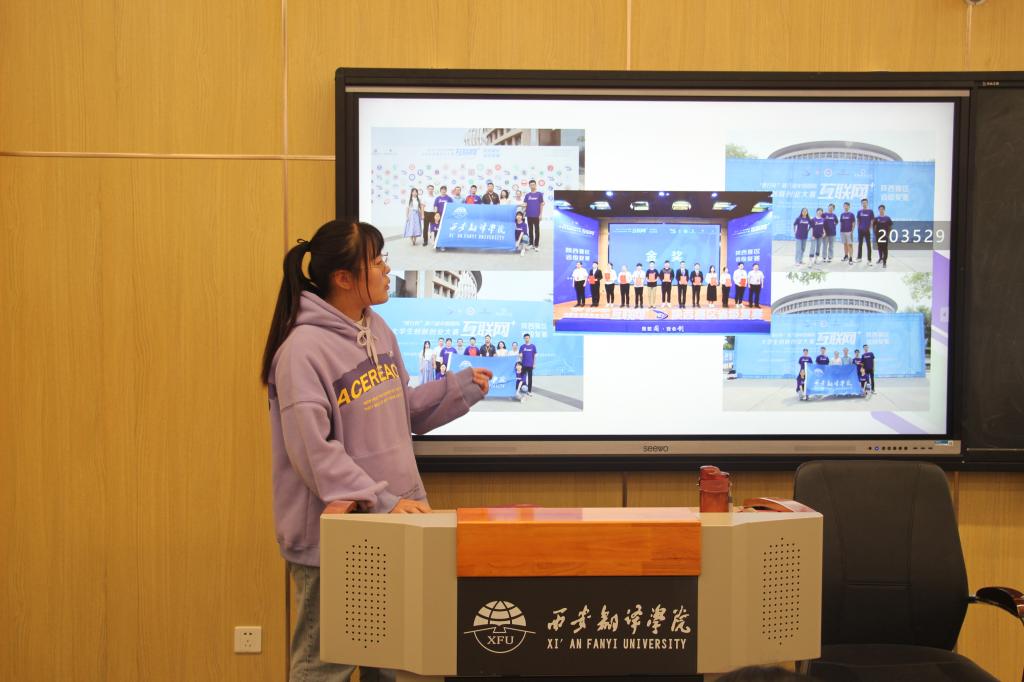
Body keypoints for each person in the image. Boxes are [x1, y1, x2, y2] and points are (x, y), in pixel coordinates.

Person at [261, 220, 491, 682]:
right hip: (334, 540)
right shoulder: (302, 350)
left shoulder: (378, 328)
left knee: (398, 661)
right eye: (377, 261)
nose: (387, 269)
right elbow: (313, 453)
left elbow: (403, 410)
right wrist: (383, 502)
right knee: (325, 667)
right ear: (343, 278)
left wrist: (460, 388)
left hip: (394, 525)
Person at [524, 179, 544, 250]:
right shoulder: (527, 195)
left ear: (535, 185)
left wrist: (540, 214)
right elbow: (525, 204)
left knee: (537, 230)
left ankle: (536, 244)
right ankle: (531, 243)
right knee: (530, 230)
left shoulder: (539, 194)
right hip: (529, 215)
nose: (532, 186)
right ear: (529, 186)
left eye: (533, 185)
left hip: (536, 215)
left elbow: (541, 204)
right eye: (531, 185)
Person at [856, 197, 874, 265]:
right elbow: (858, 220)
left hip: (867, 230)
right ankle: (859, 258)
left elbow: (872, 220)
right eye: (863, 203)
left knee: (868, 245)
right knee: (860, 244)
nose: (864, 204)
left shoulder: (870, 211)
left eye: (865, 203)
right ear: (861, 204)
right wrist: (858, 228)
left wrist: (870, 228)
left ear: (867, 203)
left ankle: (869, 260)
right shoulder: (859, 212)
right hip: (860, 230)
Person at [874, 204, 892, 268]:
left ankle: (884, 262)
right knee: (879, 248)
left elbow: (890, 226)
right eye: (880, 209)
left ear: (884, 210)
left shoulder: (887, 218)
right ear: (878, 210)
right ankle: (880, 258)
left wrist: (888, 234)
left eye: (882, 209)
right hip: (878, 236)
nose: (881, 210)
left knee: (885, 249)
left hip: (885, 236)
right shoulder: (876, 218)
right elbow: (874, 226)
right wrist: (876, 234)